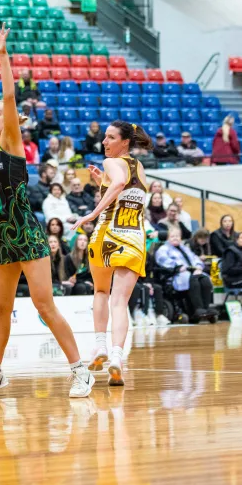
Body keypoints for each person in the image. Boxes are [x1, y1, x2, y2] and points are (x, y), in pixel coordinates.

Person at [0, 25, 94, 398]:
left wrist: (2, 56)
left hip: (26, 233)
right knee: (0, 308)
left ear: (9, 119)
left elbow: (10, 96)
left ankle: (80, 371)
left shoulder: (11, 142)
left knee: (45, 306)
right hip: (1, 238)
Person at [73, 119, 152, 386]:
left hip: (107, 233)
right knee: (120, 301)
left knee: (100, 292)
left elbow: (118, 184)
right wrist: (101, 183)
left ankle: (100, 346)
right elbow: (124, 192)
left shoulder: (111, 163)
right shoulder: (139, 167)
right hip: (134, 237)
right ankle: (117, 357)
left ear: (125, 142)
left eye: (110, 137)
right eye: (104, 137)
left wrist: (92, 213)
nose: (104, 142)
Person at [155, 227, 215, 321]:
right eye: (172, 236)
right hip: (177, 274)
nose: (175, 238)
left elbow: (195, 258)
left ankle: (206, 308)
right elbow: (163, 260)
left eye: (177, 236)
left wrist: (198, 267)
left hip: (191, 271)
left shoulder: (184, 248)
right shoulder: (163, 249)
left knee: (205, 279)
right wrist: (179, 266)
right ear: (168, 238)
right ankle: (198, 308)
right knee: (194, 279)